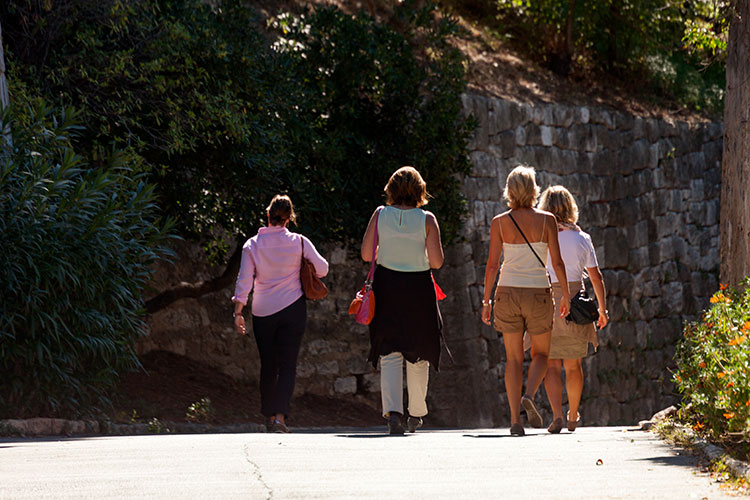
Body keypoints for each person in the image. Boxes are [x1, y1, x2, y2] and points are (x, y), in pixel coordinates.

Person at [481, 165, 570, 436]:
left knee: (513, 360)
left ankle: (515, 422)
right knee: (541, 354)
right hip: (538, 292)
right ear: (534, 191)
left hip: (507, 292)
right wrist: (565, 294)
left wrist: (486, 301)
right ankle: (529, 394)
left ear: (509, 191)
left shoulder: (499, 222)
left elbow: (492, 265)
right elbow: (557, 261)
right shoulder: (547, 221)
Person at [232, 194, 329, 433]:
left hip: (263, 311)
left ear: (267, 215)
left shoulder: (252, 245)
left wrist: (238, 311)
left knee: (268, 364)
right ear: (289, 219)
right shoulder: (299, 242)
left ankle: (267, 416)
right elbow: (323, 269)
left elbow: (244, 280)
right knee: (287, 365)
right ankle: (280, 418)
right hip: (293, 308)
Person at [361, 166, 445, 435]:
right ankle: (416, 413)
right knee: (418, 351)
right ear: (420, 190)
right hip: (418, 289)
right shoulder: (427, 219)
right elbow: (437, 262)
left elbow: (366, 254)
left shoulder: (380, 214)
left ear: (391, 190)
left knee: (389, 350)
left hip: (387, 287)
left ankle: (393, 413)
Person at [537, 185, 609, 433]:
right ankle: (573, 415)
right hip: (576, 302)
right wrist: (602, 309)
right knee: (573, 365)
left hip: (548, 303)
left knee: (551, 365)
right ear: (571, 208)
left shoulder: (541, 237)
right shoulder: (582, 238)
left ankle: (557, 415)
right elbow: (596, 277)